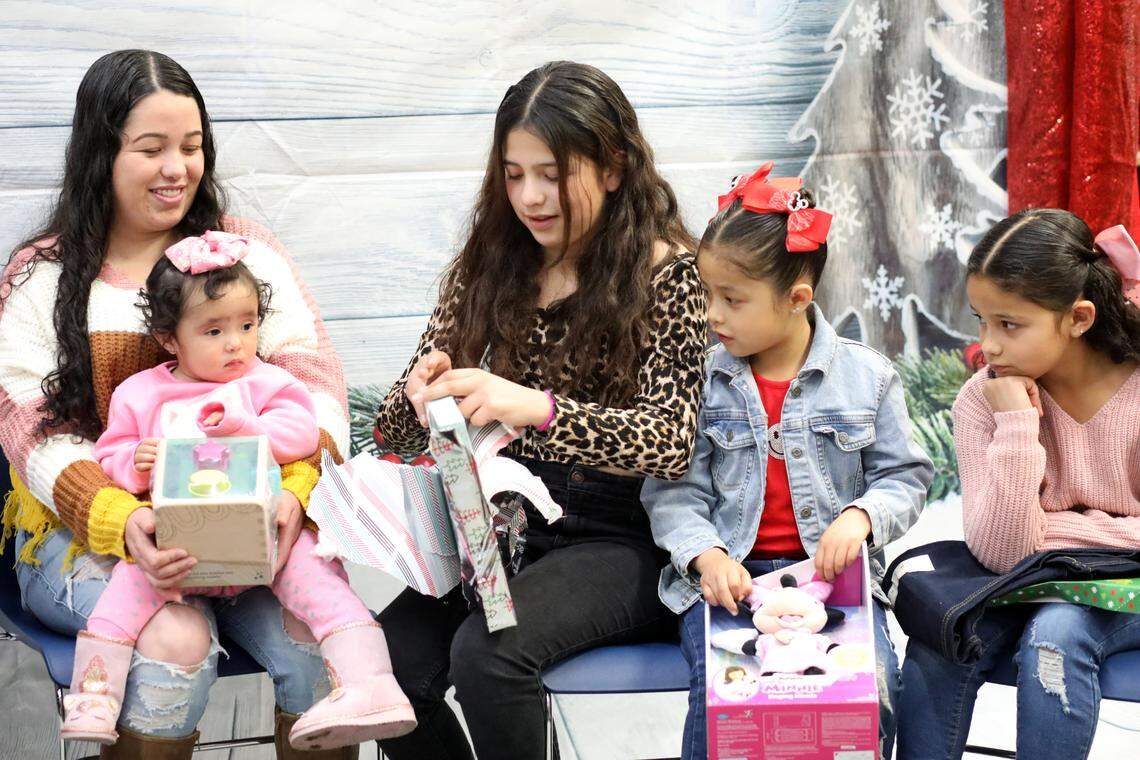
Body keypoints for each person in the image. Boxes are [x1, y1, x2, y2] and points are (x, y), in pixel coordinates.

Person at [0, 50, 351, 758]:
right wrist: (123, 519)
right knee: (177, 640)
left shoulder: (241, 250)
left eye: (191, 147)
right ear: (102, 154)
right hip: (86, 536)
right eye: (151, 148)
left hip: (242, 526)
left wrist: (298, 488)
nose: (176, 169)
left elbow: (313, 382)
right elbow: (32, 432)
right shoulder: (42, 274)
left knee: (320, 640)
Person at [372, 60, 707, 760]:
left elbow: (671, 441)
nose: (530, 196)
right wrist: (419, 389)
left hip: (623, 535)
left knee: (490, 656)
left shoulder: (669, 272)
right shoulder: (490, 264)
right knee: (384, 663)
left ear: (613, 167)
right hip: (505, 526)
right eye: (514, 173)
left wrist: (537, 408)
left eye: (553, 173)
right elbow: (393, 436)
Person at [59, 234, 414, 751]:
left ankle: (368, 682)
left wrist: (245, 423)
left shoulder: (266, 384)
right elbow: (109, 455)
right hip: (182, 545)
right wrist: (136, 466)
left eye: (248, 325)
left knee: (318, 571)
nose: (236, 343)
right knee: (128, 587)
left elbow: (302, 436)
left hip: (264, 543)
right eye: (214, 330)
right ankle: (96, 693)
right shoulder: (141, 393)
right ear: (168, 339)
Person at [642, 163, 933, 760]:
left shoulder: (868, 377)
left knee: (870, 690)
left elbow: (904, 476)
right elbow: (672, 492)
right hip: (729, 584)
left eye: (732, 299)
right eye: (707, 296)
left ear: (798, 298)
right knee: (725, 698)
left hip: (836, 584)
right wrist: (707, 554)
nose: (712, 315)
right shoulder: (699, 382)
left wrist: (861, 518)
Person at [897, 211, 1140, 760]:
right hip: (1020, 582)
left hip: (1123, 592)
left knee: (1057, 632)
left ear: (1078, 318)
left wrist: (1049, 534)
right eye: (981, 321)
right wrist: (1015, 425)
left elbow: (1029, 544)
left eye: (1010, 325)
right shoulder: (984, 401)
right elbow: (1005, 551)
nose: (989, 347)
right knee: (942, 640)